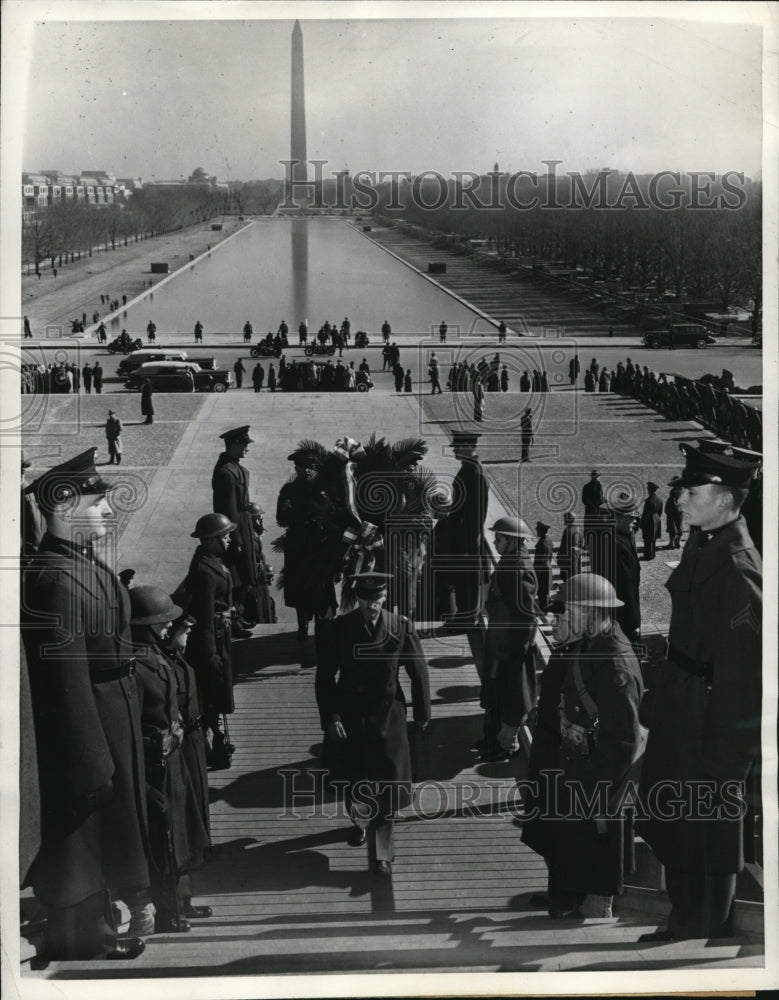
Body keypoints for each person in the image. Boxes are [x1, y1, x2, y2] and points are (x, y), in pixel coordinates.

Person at [20, 450, 148, 960]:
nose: (105, 513)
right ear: (63, 508)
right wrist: (91, 760)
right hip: (89, 731)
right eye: (95, 504)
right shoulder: (54, 578)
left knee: (108, 835)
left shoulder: (78, 564)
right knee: (81, 842)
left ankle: (101, 926)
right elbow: (64, 681)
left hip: (112, 715)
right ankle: (81, 942)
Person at [637, 444, 762, 942]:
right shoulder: (704, 541)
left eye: (692, 492)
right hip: (684, 705)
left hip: (711, 717)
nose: (680, 501)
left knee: (707, 824)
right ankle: (686, 917)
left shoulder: (738, 569)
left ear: (728, 500)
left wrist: (730, 752)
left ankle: (704, 923)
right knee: (677, 817)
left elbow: (748, 671)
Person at [521, 573, 643, 919]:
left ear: (591, 611)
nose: (564, 615)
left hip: (595, 778)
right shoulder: (593, 642)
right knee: (566, 842)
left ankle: (590, 910)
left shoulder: (615, 663)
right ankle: (564, 897)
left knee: (591, 852)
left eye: (570, 610)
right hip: (575, 765)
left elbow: (623, 740)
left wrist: (594, 785)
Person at [315, 573, 431, 876]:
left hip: (388, 716)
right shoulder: (340, 629)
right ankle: (359, 822)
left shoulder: (400, 626)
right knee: (355, 779)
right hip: (351, 715)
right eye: (365, 601)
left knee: (387, 786)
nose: (371, 607)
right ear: (358, 599)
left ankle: (383, 854)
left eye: (376, 601)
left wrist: (422, 713)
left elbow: (418, 671)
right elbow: (325, 678)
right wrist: (331, 717)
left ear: (384, 597)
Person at [128, 587, 211, 934]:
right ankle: (168, 911)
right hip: (155, 765)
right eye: (162, 622)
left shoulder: (157, 658)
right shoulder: (135, 665)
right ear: (146, 626)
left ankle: (182, 903)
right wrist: (157, 741)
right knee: (164, 840)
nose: (168, 626)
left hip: (173, 761)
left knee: (180, 835)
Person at [479, 518, 540, 761]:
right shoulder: (512, 562)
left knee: (511, 696)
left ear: (513, 541)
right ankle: (493, 738)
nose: (495, 542)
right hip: (501, 642)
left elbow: (527, 615)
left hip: (511, 647)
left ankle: (507, 745)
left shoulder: (518, 568)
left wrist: (518, 650)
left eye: (500, 538)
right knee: (497, 691)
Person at [182, 513, 238, 769]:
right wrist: (212, 654)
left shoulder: (210, 560)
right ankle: (214, 747)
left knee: (216, 697)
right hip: (211, 641)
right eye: (224, 536)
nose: (229, 540)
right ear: (211, 540)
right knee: (212, 698)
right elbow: (204, 617)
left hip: (220, 635)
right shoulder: (205, 570)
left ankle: (215, 742)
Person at [276, 447, 341, 640]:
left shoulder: (327, 490)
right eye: (302, 467)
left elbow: (339, 514)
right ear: (296, 469)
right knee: (300, 591)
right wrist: (306, 514)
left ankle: (325, 629)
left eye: (311, 467)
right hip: (299, 549)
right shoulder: (289, 490)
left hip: (322, 550)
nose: (306, 471)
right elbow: (282, 517)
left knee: (323, 591)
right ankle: (302, 627)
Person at [433, 431, 489, 629]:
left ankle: (467, 618)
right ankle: (464, 615)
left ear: (467, 446)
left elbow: (476, 515)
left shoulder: (475, 472)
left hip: (467, 539)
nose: (455, 449)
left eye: (457, 446)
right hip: (462, 536)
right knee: (462, 578)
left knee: (468, 580)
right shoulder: (469, 469)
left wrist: (468, 544)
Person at [211, 426, 260, 632]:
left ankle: (240, 616)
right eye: (246, 445)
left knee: (245, 574)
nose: (248, 449)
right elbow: (228, 510)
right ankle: (236, 619)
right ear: (235, 445)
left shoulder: (233, 466)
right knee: (238, 577)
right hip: (237, 533)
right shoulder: (226, 472)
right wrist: (236, 542)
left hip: (244, 526)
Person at [590, 493, 641, 648]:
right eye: (631, 517)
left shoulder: (614, 537)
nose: (634, 521)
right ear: (617, 518)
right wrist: (633, 622)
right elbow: (625, 587)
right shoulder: (616, 546)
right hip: (622, 615)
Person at [639, 481, 663, 560]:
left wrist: (642, 524)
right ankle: (652, 554)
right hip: (656, 519)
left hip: (649, 520)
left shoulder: (649, 500)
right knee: (653, 538)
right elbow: (660, 512)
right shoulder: (659, 499)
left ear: (650, 490)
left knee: (648, 538)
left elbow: (646, 513)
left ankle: (648, 556)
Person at [533, 521, 554, 609]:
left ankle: (544, 610)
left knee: (542, 591)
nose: (536, 531)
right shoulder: (549, 540)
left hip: (541, 570)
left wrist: (535, 573)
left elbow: (538, 561)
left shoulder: (541, 544)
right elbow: (550, 555)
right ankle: (545, 606)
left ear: (541, 531)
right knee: (545, 591)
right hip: (547, 567)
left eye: (537, 530)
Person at [557, 511, 583, 582]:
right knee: (575, 573)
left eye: (565, 518)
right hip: (576, 556)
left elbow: (563, 545)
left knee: (567, 577)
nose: (564, 520)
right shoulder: (579, 529)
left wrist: (559, 557)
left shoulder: (568, 530)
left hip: (567, 558)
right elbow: (582, 544)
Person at [664, 485, 684, 549]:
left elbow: (666, 510)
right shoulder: (680, 498)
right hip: (678, 516)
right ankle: (676, 543)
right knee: (677, 529)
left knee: (674, 530)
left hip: (673, 516)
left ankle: (672, 543)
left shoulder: (672, 499)